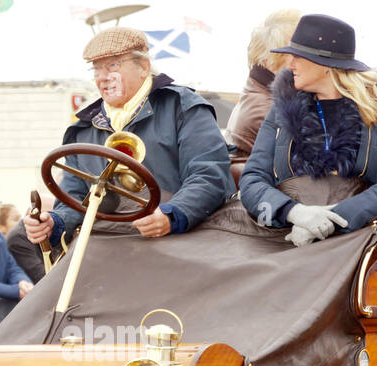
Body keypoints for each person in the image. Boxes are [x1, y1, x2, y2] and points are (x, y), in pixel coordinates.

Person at [22, 27, 232, 247]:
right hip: (111, 247)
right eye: (96, 70)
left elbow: (209, 174)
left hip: (184, 240)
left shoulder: (183, 107)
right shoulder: (82, 130)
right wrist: (54, 223)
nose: (102, 78)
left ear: (144, 67)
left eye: (113, 65)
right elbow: (74, 202)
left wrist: (171, 215)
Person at [238, 13, 377, 245]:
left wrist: (330, 221)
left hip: (358, 240)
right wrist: (294, 213)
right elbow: (251, 180)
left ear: (326, 66)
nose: (290, 65)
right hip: (284, 237)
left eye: (298, 57)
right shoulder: (281, 108)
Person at [224, 8, 302, 179]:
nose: (305, 59)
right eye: (295, 53)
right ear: (269, 59)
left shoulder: (257, 92)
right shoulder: (267, 108)